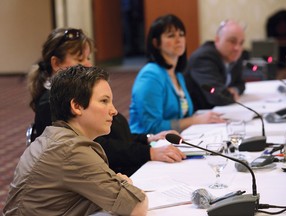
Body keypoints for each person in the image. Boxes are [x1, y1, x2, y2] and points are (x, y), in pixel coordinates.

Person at [27, 27, 185, 177]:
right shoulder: (51, 103)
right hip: (100, 176)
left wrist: (147, 138)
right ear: (56, 63)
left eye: (88, 57)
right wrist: (148, 152)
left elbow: (113, 135)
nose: (88, 64)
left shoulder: (78, 93)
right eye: (79, 59)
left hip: (117, 167)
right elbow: (96, 146)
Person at [3, 65, 148, 215]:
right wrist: (125, 183)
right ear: (77, 106)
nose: (114, 111)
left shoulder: (52, 136)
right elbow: (136, 206)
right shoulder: (72, 150)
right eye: (104, 101)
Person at [129, 14, 225, 135]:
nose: (179, 40)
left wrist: (204, 117)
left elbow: (184, 116)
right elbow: (152, 127)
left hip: (176, 139)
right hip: (149, 145)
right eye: (171, 36)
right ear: (156, 43)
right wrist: (195, 121)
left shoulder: (177, 75)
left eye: (181, 34)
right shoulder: (150, 76)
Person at [184, 20, 246, 110]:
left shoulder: (233, 55)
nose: (237, 48)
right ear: (217, 40)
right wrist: (228, 93)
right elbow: (218, 96)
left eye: (241, 43)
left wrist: (234, 90)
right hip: (198, 114)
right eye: (232, 41)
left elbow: (241, 84)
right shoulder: (203, 58)